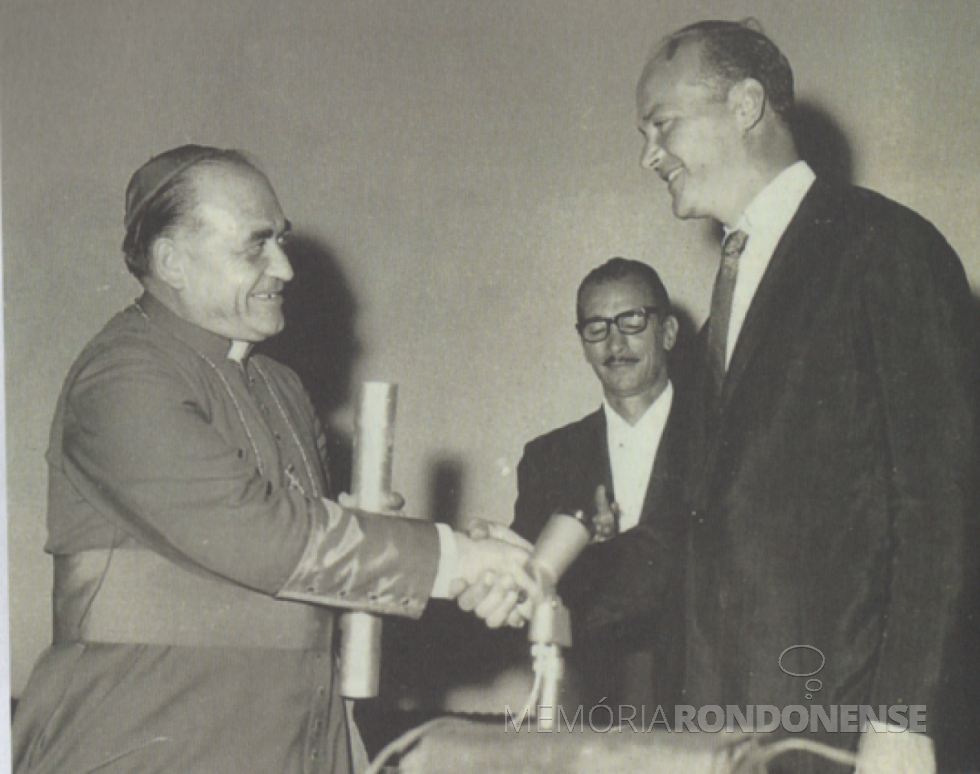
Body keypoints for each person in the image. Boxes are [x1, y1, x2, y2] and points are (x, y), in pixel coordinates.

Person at [11, 144, 538, 774]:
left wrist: (458, 561)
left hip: (297, 741)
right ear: (170, 260)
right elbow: (260, 534)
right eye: (255, 246)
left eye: (280, 241)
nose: (285, 267)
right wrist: (454, 560)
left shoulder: (282, 387)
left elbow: (321, 559)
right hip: (148, 737)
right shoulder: (123, 377)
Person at [635, 20, 977, 772]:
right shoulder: (720, 305)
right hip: (706, 732)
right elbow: (682, 531)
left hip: (837, 732)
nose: (648, 155)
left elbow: (942, 505)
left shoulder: (887, 248)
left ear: (747, 104)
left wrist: (903, 717)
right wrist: (527, 570)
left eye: (662, 125)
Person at [511, 258, 688, 715]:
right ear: (583, 344)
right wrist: (584, 559)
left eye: (631, 321)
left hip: (704, 714)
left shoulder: (723, 440)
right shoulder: (548, 458)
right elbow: (533, 599)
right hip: (593, 715)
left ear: (667, 332)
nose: (614, 343)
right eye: (596, 328)